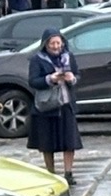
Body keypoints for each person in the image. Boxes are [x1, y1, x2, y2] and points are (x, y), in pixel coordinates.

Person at [27, 29, 80, 179]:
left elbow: (77, 75)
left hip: (65, 104)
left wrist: (72, 78)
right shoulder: (37, 59)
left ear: (63, 43)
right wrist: (50, 79)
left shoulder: (68, 57)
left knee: (69, 141)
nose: (56, 46)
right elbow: (33, 81)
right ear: (45, 44)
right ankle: (51, 174)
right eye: (52, 43)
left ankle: (68, 173)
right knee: (47, 143)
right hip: (46, 106)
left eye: (58, 43)